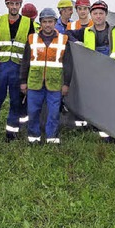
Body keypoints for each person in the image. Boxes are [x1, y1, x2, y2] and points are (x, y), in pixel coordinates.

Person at [70, 0, 115, 143]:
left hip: (113, 73)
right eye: (95, 13)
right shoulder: (86, 31)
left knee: (113, 105)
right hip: (95, 74)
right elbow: (66, 34)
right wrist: (76, 43)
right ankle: (104, 135)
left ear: (106, 15)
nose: (98, 16)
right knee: (100, 104)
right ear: (91, 16)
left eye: (101, 13)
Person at [20, 8, 72, 144]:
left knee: (54, 113)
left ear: (55, 22)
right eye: (45, 22)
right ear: (40, 23)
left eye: (50, 21)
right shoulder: (32, 39)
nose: (48, 24)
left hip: (55, 84)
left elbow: (68, 64)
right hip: (34, 83)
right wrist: (23, 81)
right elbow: (25, 62)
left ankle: (52, 138)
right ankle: (33, 137)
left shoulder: (63, 39)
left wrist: (66, 83)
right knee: (33, 112)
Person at [0, 0, 35, 141]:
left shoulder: (28, 23)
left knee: (16, 101)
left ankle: (11, 133)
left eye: (17, 4)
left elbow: (30, 48)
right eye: (11, 4)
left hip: (18, 68)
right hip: (1, 66)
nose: (14, 7)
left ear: (20, 5)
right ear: (7, 5)